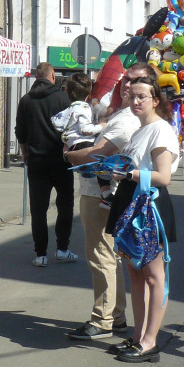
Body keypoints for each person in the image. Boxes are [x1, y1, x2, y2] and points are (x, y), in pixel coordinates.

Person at [63, 62, 154, 341]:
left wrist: (69, 154)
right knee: (109, 256)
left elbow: (98, 155)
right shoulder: (120, 115)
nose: (127, 86)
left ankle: (102, 319)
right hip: (101, 191)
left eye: (135, 82)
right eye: (125, 81)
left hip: (102, 194)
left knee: (101, 256)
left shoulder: (126, 120)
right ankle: (114, 316)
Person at [105, 76, 180, 363]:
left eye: (141, 97)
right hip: (131, 202)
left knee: (153, 275)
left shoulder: (160, 130)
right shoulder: (140, 129)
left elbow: (163, 177)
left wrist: (129, 174)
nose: (135, 101)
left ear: (155, 100)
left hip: (149, 207)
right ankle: (138, 336)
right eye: (131, 96)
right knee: (135, 273)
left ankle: (150, 342)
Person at [15, 62, 79, 267]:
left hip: (36, 161)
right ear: (52, 75)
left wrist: (25, 152)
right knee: (65, 205)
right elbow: (72, 130)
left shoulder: (25, 101)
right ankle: (62, 249)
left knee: (38, 209)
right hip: (61, 161)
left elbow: (20, 131)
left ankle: (40, 254)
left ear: (36, 76)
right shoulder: (63, 99)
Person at [51, 71, 110, 201]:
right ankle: (106, 193)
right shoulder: (84, 108)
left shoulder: (69, 109)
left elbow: (58, 123)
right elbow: (85, 129)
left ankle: (87, 170)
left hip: (72, 145)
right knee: (102, 162)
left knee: (94, 165)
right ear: (89, 94)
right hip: (84, 143)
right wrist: (101, 126)